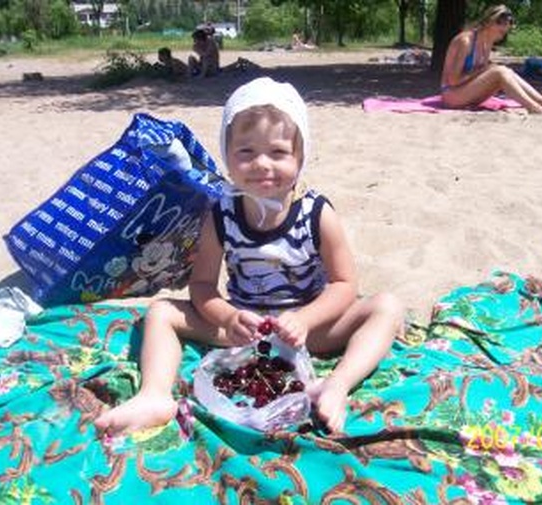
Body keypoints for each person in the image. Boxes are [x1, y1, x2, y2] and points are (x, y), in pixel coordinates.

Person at [94, 77, 405, 436]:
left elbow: (344, 284)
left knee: (386, 306)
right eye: (246, 152)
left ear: (300, 157)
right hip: (244, 331)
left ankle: (336, 385)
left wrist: (303, 320)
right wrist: (229, 317)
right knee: (162, 311)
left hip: (308, 330)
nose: (261, 164)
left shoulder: (317, 214)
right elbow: (202, 285)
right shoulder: (221, 214)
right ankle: (154, 395)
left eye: (278, 152)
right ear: (227, 156)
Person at [440, 4, 542, 114]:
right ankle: (533, 108)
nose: (502, 36)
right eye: (501, 32)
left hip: (466, 92)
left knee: (506, 71)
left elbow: (480, 72)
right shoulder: (465, 41)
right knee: (499, 72)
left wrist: (487, 69)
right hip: (451, 95)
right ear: (490, 23)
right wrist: (485, 69)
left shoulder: (487, 42)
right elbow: (453, 80)